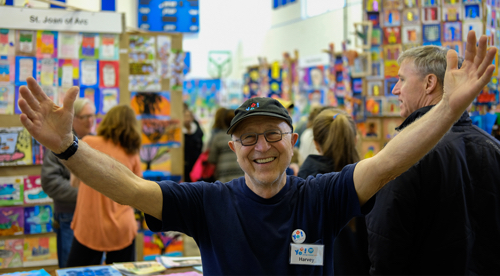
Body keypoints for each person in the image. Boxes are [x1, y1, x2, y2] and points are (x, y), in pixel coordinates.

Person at [18, 32, 496, 275]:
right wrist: (67, 146)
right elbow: (128, 186)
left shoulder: (321, 195)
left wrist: (448, 110)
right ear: (233, 147)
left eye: (273, 134)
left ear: (293, 139)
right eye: (248, 137)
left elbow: (391, 160)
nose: (261, 147)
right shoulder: (209, 203)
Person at [365, 44, 500, 274]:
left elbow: (387, 243)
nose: (395, 90)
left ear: (429, 84)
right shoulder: (493, 147)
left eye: (402, 80)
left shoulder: (407, 153)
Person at [65, 105, 143, 267]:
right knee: (123, 272)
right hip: (122, 226)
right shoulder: (132, 152)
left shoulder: (88, 143)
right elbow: (138, 192)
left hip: (90, 225)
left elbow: (74, 182)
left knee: (79, 272)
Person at [298, 109, 369, 275]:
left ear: (316, 143)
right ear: (355, 139)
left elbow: (300, 245)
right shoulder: (366, 179)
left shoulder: (304, 183)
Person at [40, 98, 95, 268]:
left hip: (95, 216)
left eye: (92, 116)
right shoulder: (59, 143)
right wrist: (85, 194)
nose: (90, 121)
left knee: (96, 269)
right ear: (73, 118)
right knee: (71, 269)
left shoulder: (96, 142)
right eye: (85, 117)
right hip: (69, 216)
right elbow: (50, 181)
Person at [207, 108, 243, 182]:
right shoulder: (242, 136)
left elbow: (212, 159)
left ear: (224, 121)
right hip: (241, 172)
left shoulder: (218, 137)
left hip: (223, 174)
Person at [183, 102, 203, 182]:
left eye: (189, 116)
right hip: (184, 164)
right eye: (185, 116)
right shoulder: (179, 132)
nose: (187, 118)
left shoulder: (196, 128)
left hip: (196, 163)